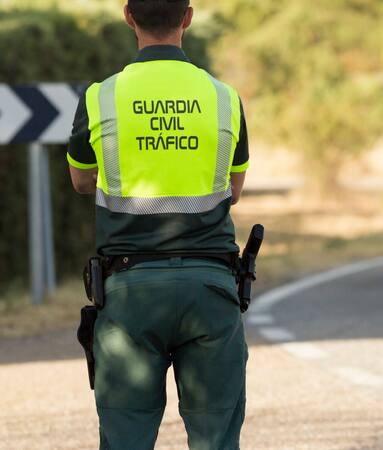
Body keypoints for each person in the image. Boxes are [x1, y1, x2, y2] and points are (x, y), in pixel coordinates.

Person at [67, 1, 249, 448]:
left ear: (129, 16)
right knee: (217, 438)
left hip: (129, 293)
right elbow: (234, 187)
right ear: (187, 17)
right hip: (211, 288)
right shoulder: (224, 98)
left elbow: (80, 180)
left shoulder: (100, 97)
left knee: (125, 436)